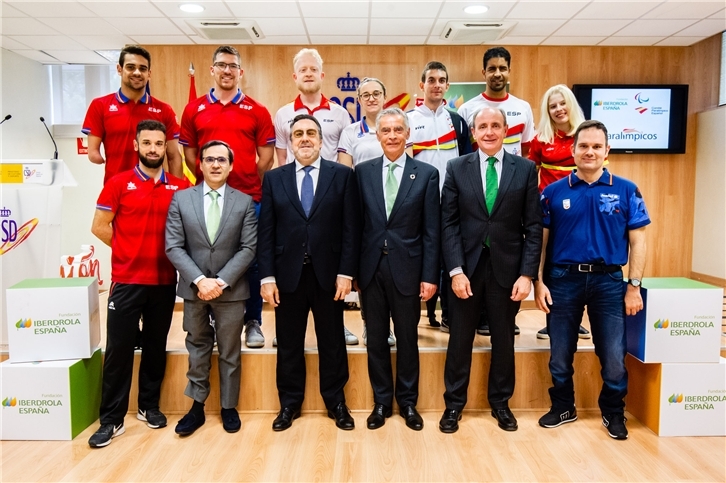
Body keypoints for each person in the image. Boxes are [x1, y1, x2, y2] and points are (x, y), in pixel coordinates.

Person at [534, 120, 649, 441]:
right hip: (562, 280)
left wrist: (634, 286)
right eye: (583, 146)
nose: (590, 152)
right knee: (559, 352)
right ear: (572, 151)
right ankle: (563, 406)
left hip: (609, 283)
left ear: (607, 151)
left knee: (613, 354)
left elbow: (638, 241)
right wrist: (538, 283)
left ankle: (613, 412)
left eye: (597, 146)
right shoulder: (552, 193)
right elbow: (541, 243)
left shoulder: (627, 190)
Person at [439, 107, 541, 434]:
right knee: (459, 341)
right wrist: (455, 270)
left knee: (503, 340)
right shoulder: (456, 168)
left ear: (506, 128)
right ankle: (454, 405)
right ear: (473, 132)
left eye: (495, 125)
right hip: (465, 270)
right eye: (482, 126)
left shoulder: (525, 169)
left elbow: (534, 227)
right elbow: (449, 225)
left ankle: (501, 404)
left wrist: (527, 274)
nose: (489, 131)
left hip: (507, 272)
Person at [88, 120, 190, 448]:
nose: (153, 149)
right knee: (118, 350)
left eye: (159, 144)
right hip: (127, 281)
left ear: (165, 148)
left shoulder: (180, 188)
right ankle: (111, 420)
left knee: (154, 347)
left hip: (163, 282)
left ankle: (149, 406)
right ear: (136, 146)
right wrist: (129, 251)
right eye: (147, 143)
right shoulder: (118, 183)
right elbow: (99, 225)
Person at [259, 114, 360, 432]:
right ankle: (289, 403)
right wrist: (267, 277)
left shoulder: (342, 175)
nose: (304, 138)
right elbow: (266, 232)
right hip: (287, 276)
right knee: (288, 342)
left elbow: (350, 229)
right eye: (298, 133)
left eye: (311, 134)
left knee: (332, 341)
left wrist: (346, 273)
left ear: (321, 140)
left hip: (329, 276)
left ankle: (336, 402)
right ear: (289, 140)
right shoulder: (275, 179)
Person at [180, 45, 275, 349]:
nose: (226, 70)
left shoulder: (257, 110)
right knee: (207, 257)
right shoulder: (194, 109)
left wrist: (242, 179)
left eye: (232, 66)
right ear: (212, 69)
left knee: (252, 262)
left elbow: (265, 158)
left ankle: (253, 321)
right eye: (221, 65)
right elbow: (191, 153)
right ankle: (209, 317)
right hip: (206, 199)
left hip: (249, 199)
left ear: (240, 72)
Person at [165, 140, 257, 435]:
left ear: (231, 165)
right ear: (200, 164)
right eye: (209, 159)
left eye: (221, 159)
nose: (215, 164)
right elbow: (174, 246)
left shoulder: (244, 202)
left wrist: (219, 281)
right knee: (197, 347)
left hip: (230, 290)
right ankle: (196, 406)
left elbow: (248, 248)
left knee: (230, 350)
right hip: (194, 290)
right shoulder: (181, 199)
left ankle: (229, 406)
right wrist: (200, 281)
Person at [356, 107, 440, 431]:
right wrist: (352, 274)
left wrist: (431, 275)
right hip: (371, 271)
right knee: (376, 339)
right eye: (386, 131)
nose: (392, 136)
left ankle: (407, 403)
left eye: (397, 130)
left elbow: (432, 230)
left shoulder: (426, 174)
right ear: (377, 136)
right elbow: (356, 227)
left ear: (408, 135)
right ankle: (381, 402)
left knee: (407, 340)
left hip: (409, 269)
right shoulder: (362, 173)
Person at [273, 48, 356, 346]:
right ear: (295, 76)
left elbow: (347, 158)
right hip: (296, 199)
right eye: (303, 70)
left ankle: (339, 326)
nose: (308, 74)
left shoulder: (340, 113)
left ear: (322, 75)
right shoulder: (283, 114)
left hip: (330, 201)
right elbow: (281, 160)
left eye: (313, 69)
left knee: (330, 324)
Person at [457, 46, 536, 336]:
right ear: (484, 73)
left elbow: (528, 152)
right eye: (492, 68)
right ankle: (479, 317)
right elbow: (465, 155)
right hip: (477, 193)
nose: (498, 73)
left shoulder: (523, 107)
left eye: (503, 68)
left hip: (512, 190)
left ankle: (501, 315)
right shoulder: (467, 109)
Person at [407, 61, 472, 332]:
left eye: (441, 80)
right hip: (418, 200)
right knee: (419, 254)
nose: (436, 84)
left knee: (450, 257)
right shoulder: (408, 119)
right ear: (421, 85)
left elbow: (469, 161)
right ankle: (415, 314)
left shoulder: (456, 121)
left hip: (452, 199)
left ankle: (448, 314)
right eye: (431, 80)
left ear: (447, 85)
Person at [529, 84, 591, 341]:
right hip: (550, 214)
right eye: (552, 106)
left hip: (581, 213)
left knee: (580, 264)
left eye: (562, 103)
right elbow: (531, 176)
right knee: (551, 264)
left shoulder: (586, 135)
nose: (558, 109)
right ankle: (552, 319)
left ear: (571, 105)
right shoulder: (540, 139)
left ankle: (576, 321)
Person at [337, 77, 395, 347]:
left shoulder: (395, 126)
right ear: (358, 100)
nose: (371, 98)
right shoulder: (350, 132)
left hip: (393, 206)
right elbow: (345, 170)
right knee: (366, 267)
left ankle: (390, 326)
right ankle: (368, 323)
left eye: (376, 93)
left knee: (393, 268)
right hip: (364, 207)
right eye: (365, 95)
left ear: (385, 97)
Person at [83, 45, 182, 182]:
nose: (137, 72)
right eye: (130, 67)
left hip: (155, 190)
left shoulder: (164, 110)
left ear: (149, 74)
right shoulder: (100, 105)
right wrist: (97, 157)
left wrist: (178, 193)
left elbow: (174, 156)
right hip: (116, 189)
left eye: (142, 68)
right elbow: (93, 153)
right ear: (119, 69)